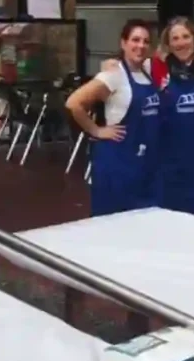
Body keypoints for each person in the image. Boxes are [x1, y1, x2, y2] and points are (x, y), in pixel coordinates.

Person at [66, 20, 160, 217]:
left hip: (143, 167)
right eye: (135, 40)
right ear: (123, 43)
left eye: (145, 41)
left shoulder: (148, 71)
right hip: (116, 167)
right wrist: (96, 130)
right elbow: (74, 103)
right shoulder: (113, 75)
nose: (140, 46)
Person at [152, 18, 194, 219]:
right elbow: (128, 62)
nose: (181, 43)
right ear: (168, 44)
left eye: (185, 36)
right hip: (167, 157)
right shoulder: (157, 68)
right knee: (168, 218)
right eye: (175, 38)